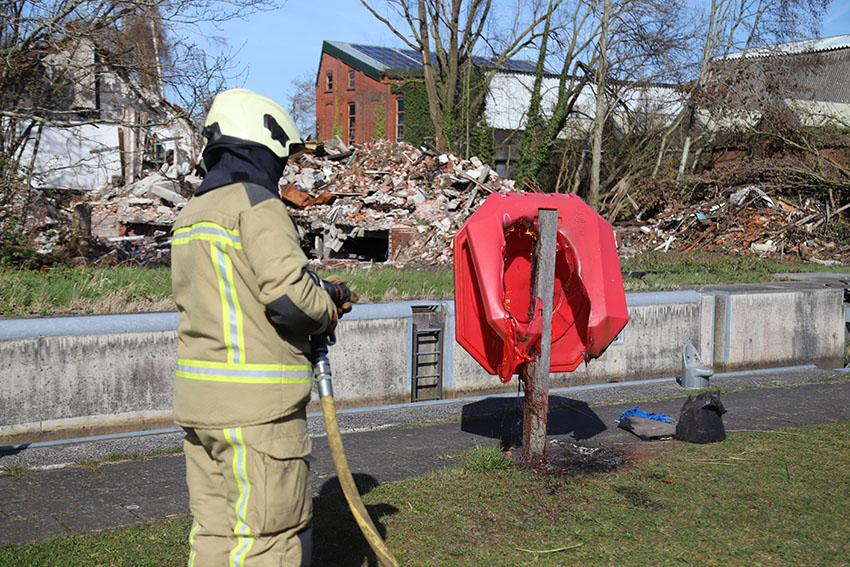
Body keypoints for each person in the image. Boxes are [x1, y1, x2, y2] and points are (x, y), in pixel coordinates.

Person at [171, 88, 356, 567]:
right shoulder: (255, 205)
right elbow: (291, 301)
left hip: (202, 407)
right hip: (257, 415)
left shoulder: (193, 213)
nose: (283, 168)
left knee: (216, 533)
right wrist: (329, 303)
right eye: (283, 156)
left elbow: (242, 291)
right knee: (267, 539)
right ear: (264, 141)